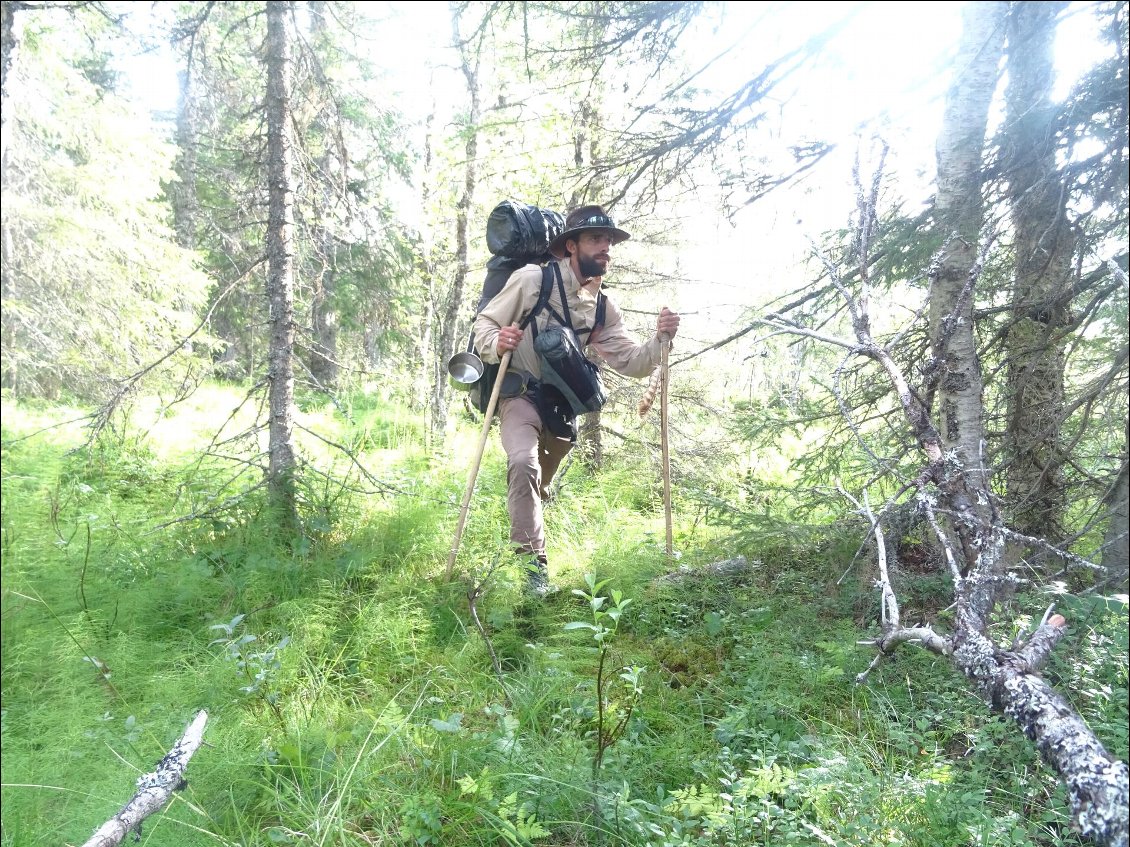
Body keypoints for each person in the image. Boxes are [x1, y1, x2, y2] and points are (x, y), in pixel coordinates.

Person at [472, 204, 680, 596]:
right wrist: (496, 342)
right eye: (596, 239)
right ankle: (533, 572)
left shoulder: (603, 307)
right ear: (571, 246)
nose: (606, 248)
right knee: (522, 462)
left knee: (535, 485)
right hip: (518, 394)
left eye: (609, 241)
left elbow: (633, 362)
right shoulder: (532, 280)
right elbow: (486, 322)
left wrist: (660, 340)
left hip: (560, 410)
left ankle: (524, 528)